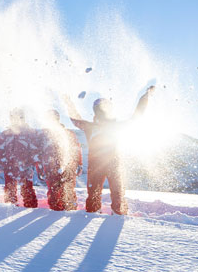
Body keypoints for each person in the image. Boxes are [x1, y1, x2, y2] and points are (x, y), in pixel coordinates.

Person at [64, 86, 154, 215]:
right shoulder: (90, 126)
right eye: (99, 109)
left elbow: (136, 117)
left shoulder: (115, 126)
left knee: (117, 194)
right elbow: (75, 119)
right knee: (94, 195)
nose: (102, 112)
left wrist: (145, 97)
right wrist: (68, 103)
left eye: (105, 108)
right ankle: (92, 217)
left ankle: (119, 216)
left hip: (113, 163)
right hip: (96, 166)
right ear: (95, 111)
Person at [39, 110, 82, 211]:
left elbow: (76, 148)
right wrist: (39, 167)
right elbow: (39, 152)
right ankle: (55, 212)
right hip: (50, 167)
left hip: (67, 166)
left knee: (68, 190)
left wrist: (79, 163)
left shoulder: (68, 133)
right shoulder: (44, 135)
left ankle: (71, 212)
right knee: (53, 192)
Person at [0, 109, 40, 208]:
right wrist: (2, 161)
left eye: (18, 117)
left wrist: (31, 162)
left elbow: (35, 149)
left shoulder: (29, 132)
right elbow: (1, 149)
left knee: (26, 188)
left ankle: (31, 209)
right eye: (13, 117)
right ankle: (10, 207)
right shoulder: (6, 133)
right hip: (9, 165)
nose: (15, 119)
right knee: (9, 188)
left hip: (25, 165)